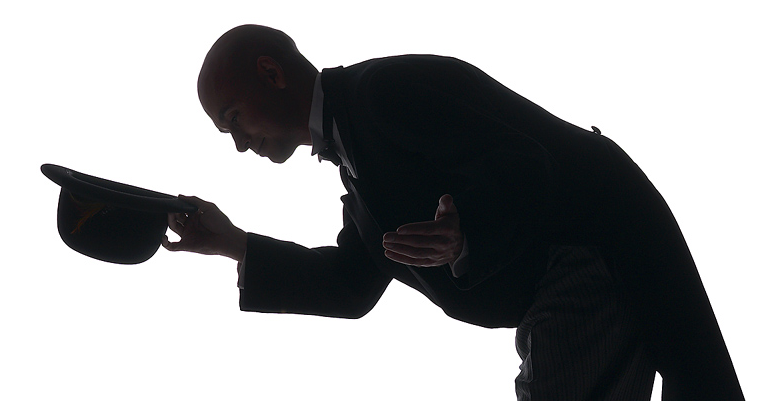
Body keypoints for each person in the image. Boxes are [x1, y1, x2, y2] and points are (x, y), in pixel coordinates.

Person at [163, 24, 744, 400]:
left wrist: (466, 231)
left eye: (233, 119)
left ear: (271, 74)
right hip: (564, 285)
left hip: (589, 257)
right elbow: (349, 284)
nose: (239, 143)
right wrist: (230, 242)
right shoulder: (357, 166)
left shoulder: (383, 93)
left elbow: (524, 163)